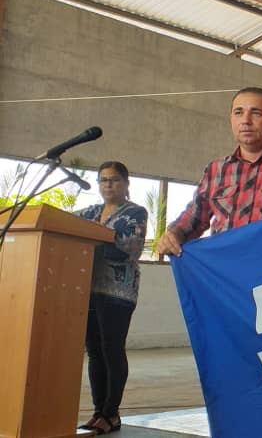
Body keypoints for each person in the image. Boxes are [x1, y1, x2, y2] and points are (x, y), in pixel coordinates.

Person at [156, 87, 262, 255]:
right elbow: (194, 218)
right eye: (238, 112)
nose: (245, 120)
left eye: (256, 113)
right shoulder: (216, 170)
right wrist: (175, 234)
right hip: (226, 271)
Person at [76, 161, 148, 435]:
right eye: (103, 180)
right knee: (94, 352)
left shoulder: (135, 212)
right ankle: (98, 412)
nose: (108, 185)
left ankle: (111, 413)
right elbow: (64, 222)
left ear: (126, 183)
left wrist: (97, 237)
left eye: (114, 180)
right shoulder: (92, 211)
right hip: (89, 289)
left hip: (119, 293)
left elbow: (132, 244)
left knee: (111, 349)